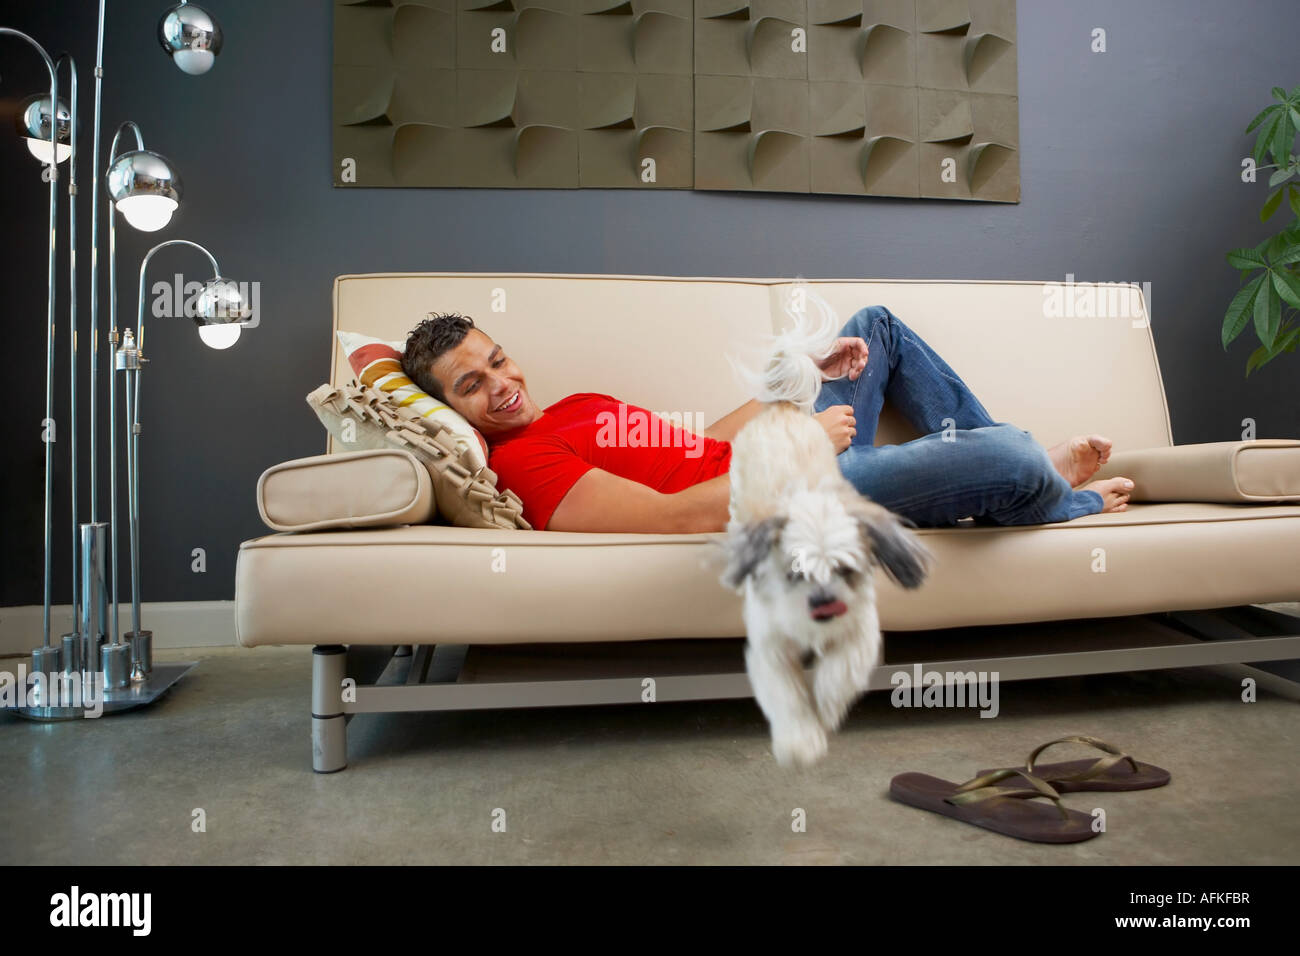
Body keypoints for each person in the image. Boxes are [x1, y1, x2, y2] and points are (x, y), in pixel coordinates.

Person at [401, 306, 1135, 533]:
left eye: (498, 360)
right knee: (1010, 456)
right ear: (447, 407)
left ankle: (1029, 475)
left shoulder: (571, 409)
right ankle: (1050, 492)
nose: (501, 385)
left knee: (873, 327)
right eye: (472, 384)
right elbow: (674, 517)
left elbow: (703, 446)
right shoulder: (521, 465)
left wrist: (805, 378)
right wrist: (799, 448)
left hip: (789, 453)